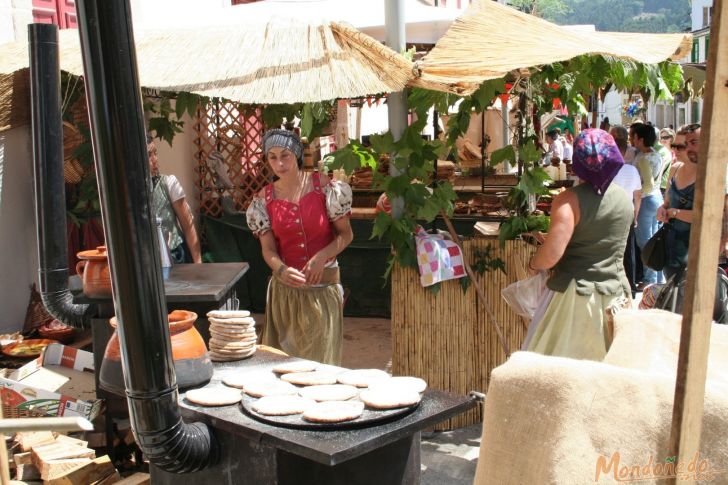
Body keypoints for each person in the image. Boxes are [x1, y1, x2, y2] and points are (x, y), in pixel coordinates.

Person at [246, 129, 353, 364]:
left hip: (322, 289)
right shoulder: (264, 199)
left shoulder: (324, 187)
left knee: (320, 366)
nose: (279, 163)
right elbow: (268, 250)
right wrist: (281, 269)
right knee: (282, 367)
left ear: (296, 154)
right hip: (284, 293)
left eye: (285, 155)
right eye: (272, 157)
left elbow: (346, 235)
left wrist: (322, 256)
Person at [525, 129, 632, 361]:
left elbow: (551, 255)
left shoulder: (568, 200)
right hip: (616, 296)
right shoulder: (625, 199)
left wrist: (534, 262)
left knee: (560, 379)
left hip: (575, 300)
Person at [148, 135, 202, 264]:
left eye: (155, 153)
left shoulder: (169, 184)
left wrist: (198, 264)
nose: (155, 159)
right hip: (148, 263)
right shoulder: (128, 193)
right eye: (149, 155)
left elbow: (188, 227)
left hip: (176, 258)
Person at [656, 124, 698, 280]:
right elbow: (667, 201)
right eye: (674, 145)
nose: (674, 150)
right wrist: (662, 209)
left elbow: (703, 216)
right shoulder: (675, 169)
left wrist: (674, 213)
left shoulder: (705, 175)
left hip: (692, 249)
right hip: (670, 246)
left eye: (680, 147)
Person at [630, 122, 665, 288]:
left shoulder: (644, 158)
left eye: (634, 136)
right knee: (654, 241)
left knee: (644, 242)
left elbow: (648, 184)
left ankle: (650, 280)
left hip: (646, 200)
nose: (632, 139)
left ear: (640, 138)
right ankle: (658, 278)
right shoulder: (655, 154)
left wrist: (637, 197)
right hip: (656, 199)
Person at [609, 125, 642, 298]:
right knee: (628, 253)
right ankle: (631, 287)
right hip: (627, 214)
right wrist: (635, 216)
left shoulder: (605, 171)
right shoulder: (632, 170)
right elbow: (638, 196)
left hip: (609, 215)